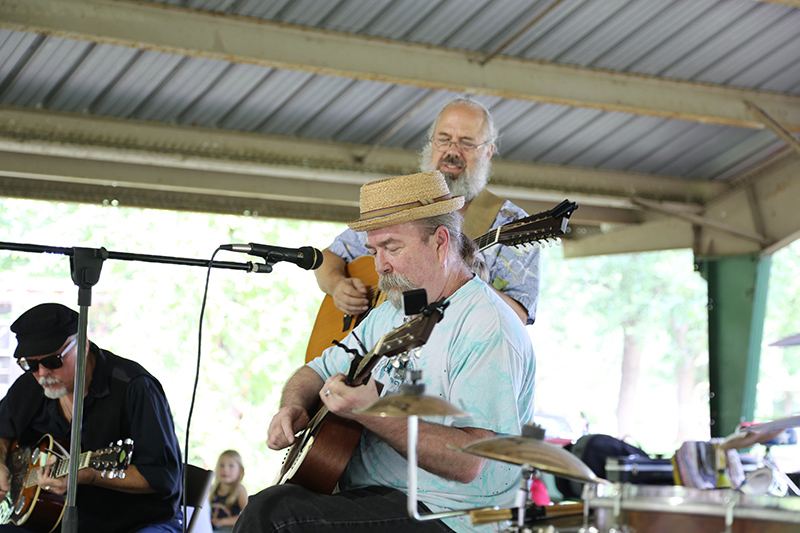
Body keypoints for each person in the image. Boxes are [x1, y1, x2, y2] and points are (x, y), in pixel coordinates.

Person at [234, 171, 536, 533]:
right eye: (374, 251)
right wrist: (293, 405)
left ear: (440, 242)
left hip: (448, 515)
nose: (380, 266)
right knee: (274, 503)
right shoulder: (395, 310)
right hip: (377, 497)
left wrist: (370, 413)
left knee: (276, 516)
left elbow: (471, 463)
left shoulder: (486, 324)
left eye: (392, 248)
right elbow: (314, 371)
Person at [314, 97, 541, 326]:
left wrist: (462, 277)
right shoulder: (397, 204)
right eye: (444, 139)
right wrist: (338, 286)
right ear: (431, 143)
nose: (453, 151)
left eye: (466, 142)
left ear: (488, 151)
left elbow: (518, 317)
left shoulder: (512, 222)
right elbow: (327, 259)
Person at [0, 303, 183, 533]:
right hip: (55, 517)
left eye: (53, 361)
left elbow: (164, 477)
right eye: (31, 364)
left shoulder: (134, 387)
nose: (43, 373)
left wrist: (89, 476)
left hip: (137, 522)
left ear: (83, 345)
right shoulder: (30, 387)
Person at [209, 449, 248, 531]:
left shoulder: (239, 489)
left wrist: (223, 521)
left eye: (231, 466)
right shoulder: (212, 489)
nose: (225, 470)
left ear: (240, 470)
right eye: (221, 465)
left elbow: (247, 515)